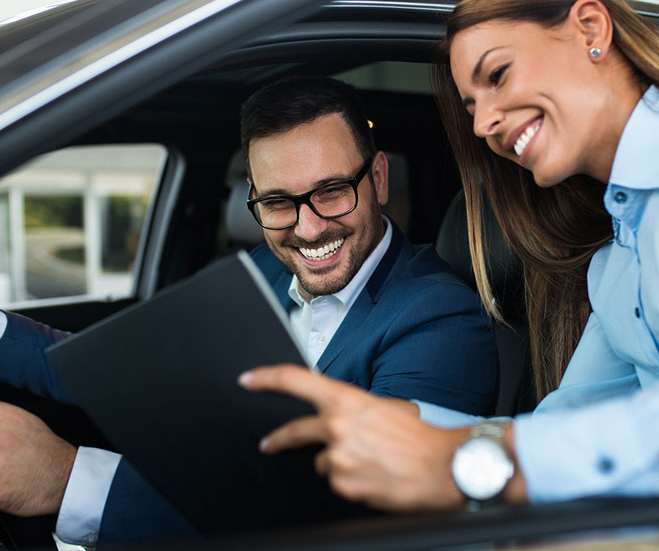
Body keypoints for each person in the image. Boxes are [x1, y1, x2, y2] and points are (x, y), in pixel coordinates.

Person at [238, 0, 659, 514]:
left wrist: (476, 467)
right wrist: (400, 422)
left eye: (498, 75)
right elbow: (561, 429)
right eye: (472, 105)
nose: (484, 124)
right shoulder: (615, 266)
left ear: (591, 30)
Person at [0, 76, 498, 544]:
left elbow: (354, 524)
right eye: (279, 202)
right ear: (254, 200)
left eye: (331, 191)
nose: (307, 229)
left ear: (380, 179)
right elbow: (131, 369)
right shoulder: (266, 268)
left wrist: (68, 481)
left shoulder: (442, 320)